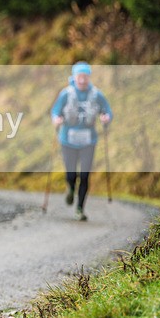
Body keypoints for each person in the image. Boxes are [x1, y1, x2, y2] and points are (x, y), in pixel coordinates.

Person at [51, 61, 112, 221]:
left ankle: (80, 208)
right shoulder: (66, 93)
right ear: (74, 77)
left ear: (89, 77)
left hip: (88, 141)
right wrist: (56, 119)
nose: (83, 80)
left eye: (85, 76)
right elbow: (55, 110)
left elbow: (107, 110)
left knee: (85, 175)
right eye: (80, 76)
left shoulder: (96, 94)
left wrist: (106, 118)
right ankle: (70, 188)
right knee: (71, 173)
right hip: (67, 140)